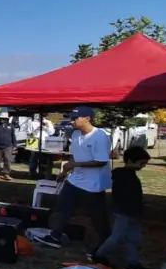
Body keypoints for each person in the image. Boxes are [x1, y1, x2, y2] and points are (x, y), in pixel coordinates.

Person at [33, 106, 112, 252]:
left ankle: (105, 242)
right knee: (62, 207)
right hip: (75, 179)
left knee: (97, 216)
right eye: (71, 118)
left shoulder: (99, 136)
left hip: (93, 184)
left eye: (75, 118)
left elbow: (101, 161)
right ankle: (55, 236)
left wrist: (75, 165)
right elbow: (75, 155)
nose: (71, 121)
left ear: (87, 119)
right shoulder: (75, 135)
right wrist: (65, 171)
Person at [91, 146, 150, 269]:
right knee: (117, 237)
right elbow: (126, 197)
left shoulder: (127, 175)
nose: (143, 166)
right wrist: (132, 212)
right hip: (124, 212)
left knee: (133, 239)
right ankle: (99, 255)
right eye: (141, 163)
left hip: (131, 213)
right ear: (130, 161)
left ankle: (132, 262)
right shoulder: (124, 177)